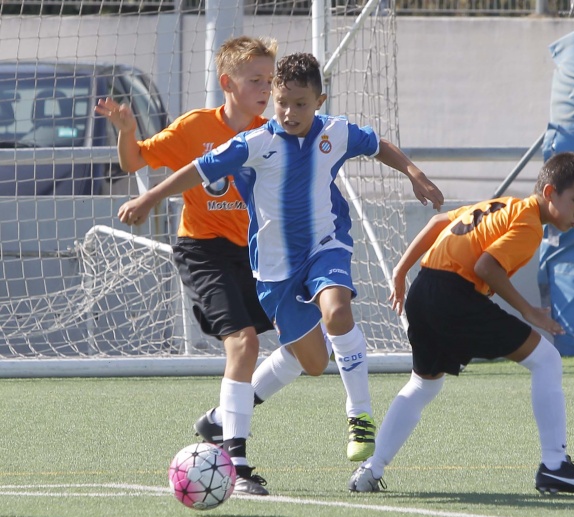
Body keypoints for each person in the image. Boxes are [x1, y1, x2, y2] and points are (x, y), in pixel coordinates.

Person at [115, 52, 444, 479]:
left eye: (301, 104)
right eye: (282, 102)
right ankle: (223, 416)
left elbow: (377, 145)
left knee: (338, 310)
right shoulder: (256, 143)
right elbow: (197, 169)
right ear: (273, 98)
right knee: (312, 361)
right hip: (274, 269)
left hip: (327, 247)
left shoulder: (336, 133)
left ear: (319, 101)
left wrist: (414, 173)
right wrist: (149, 197)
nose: (289, 113)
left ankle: (359, 415)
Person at [96, 36, 300, 496]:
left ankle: (218, 420)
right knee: (243, 343)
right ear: (227, 83)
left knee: (308, 350)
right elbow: (135, 161)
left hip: (256, 253)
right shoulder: (194, 128)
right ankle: (237, 461)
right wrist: (127, 130)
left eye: (270, 80)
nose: (265, 89)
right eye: (255, 81)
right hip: (204, 250)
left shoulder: (275, 134)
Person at [348, 151, 574, 496]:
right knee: (546, 360)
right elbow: (487, 267)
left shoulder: (502, 205)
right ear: (549, 193)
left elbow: (437, 223)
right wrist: (528, 311)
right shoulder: (530, 225)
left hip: (423, 290)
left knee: (424, 385)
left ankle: (371, 469)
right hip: (453, 295)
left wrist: (400, 271)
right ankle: (554, 466)